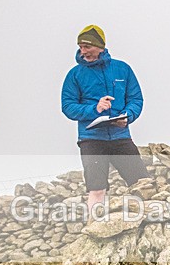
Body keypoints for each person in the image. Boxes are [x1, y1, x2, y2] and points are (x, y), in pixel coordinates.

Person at [61, 24, 149, 214]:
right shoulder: (74, 74)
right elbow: (68, 106)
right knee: (97, 189)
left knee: (142, 183)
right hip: (91, 140)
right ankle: (94, 225)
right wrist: (95, 109)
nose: (83, 51)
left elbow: (136, 99)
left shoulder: (123, 69)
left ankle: (147, 221)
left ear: (100, 46)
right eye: (80, 47)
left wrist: (128, 116)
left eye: (87, 46)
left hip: (121, 137)